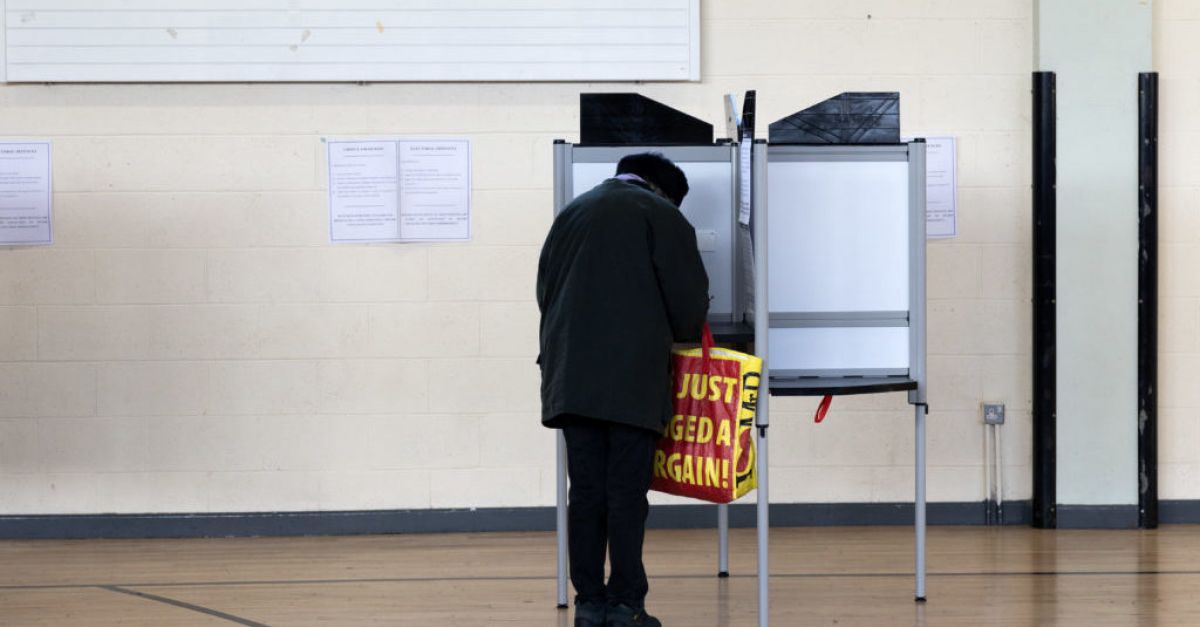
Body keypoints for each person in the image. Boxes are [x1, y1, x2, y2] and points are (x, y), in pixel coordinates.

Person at [537, 152, 709, 627]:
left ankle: (589, 604)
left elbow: (544, 293)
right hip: (632, 379)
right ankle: (626, 605)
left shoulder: (571, 213)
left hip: (570, 376)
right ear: (663, 189)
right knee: (626, 493)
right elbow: (688, 304)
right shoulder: (660, 214)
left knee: (587, 491)